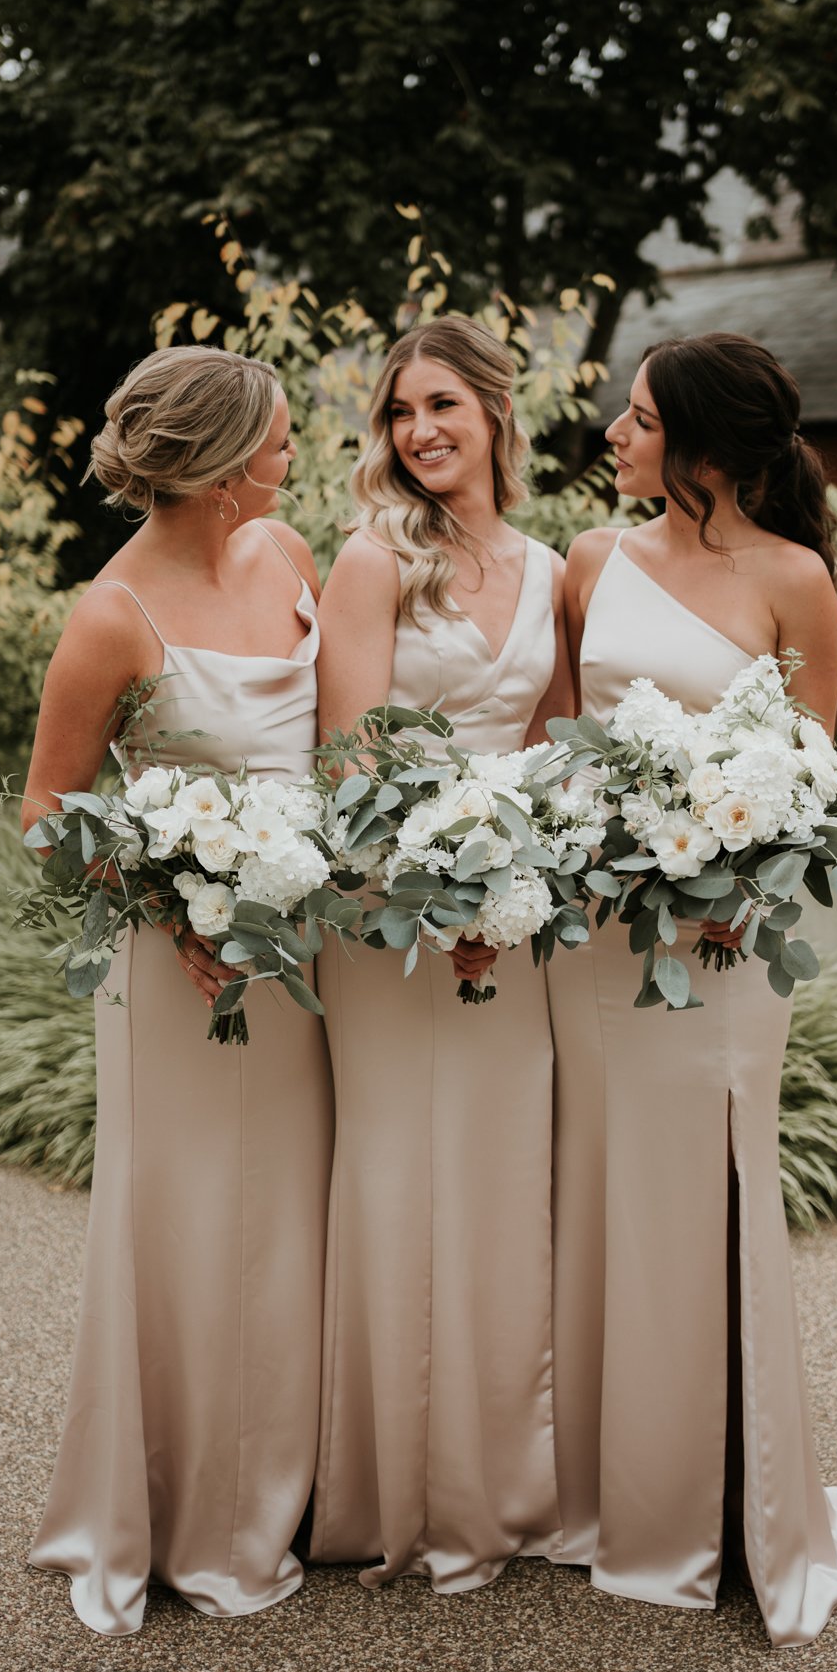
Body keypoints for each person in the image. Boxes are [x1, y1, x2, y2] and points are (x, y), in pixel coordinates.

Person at [547, 332, 837, 1646]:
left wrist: (735, 886)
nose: (612, 440)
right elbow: (565, 739)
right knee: (596, 1187)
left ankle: (711, 1505)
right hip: (593, 939)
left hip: (725, 950)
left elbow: (809, 778)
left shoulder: (797, 583)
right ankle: (599, 1495)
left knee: (706, 1196)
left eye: (634, 422)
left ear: (700, 448)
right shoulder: (588, 560)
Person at [23, 345, 332, 1634]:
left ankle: (288, 1488)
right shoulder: (110, 614)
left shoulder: (291, 555)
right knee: (188, 1226)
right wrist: (167, 900)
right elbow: (47, 813)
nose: (291, 452)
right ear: (215, 467)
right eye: (272, 436)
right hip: (175, 971)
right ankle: (173, 1508)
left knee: (293, 1220)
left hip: (302, 958)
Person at [307, 315, 574, 1592]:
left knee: (501, 1175)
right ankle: (383, 1488)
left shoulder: (554, 561)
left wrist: (508, 880)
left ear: (493, 414)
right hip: (386, 918)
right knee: (394, 1169)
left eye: (441, 407)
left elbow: (564, 742)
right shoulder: (371, 560)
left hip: (513, 918)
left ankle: (497, 1480)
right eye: (400, 412)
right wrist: (438, 883)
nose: (418, 432)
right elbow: (349, 754)